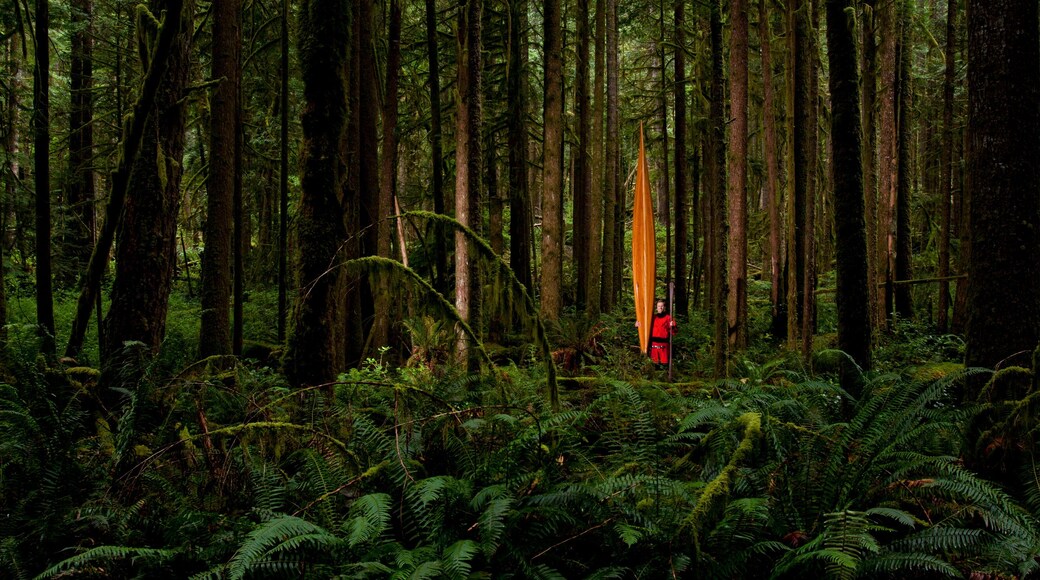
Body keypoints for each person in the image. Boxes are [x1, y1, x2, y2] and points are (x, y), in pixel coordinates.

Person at [637, 298, 676, 366]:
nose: (660, 308)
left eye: (662, 306)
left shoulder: (668, 318)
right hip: (654, 345)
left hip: (664, 346)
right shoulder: (653, 318)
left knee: (664, 365)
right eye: (659, 306)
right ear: (656, 308)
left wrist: (672, 326)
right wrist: (638, 325)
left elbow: (674, 332)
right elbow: (645, 327)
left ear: (664, 307)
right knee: (654, 364)